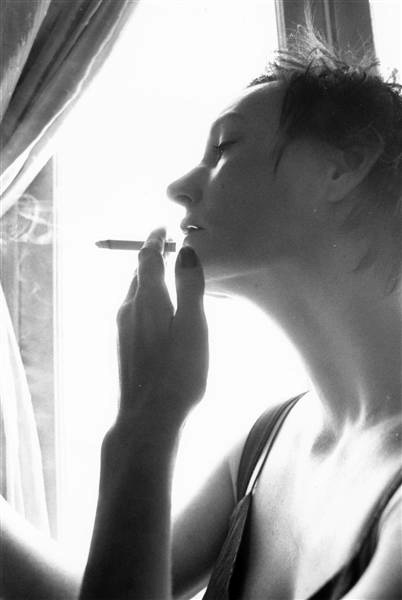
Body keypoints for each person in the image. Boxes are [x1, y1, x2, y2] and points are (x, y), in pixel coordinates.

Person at [1, 23, 401, 600]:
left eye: (224, 148)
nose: (179, 188)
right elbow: (106, 589)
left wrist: (145, 424)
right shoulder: (262, 446)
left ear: (342, 169)